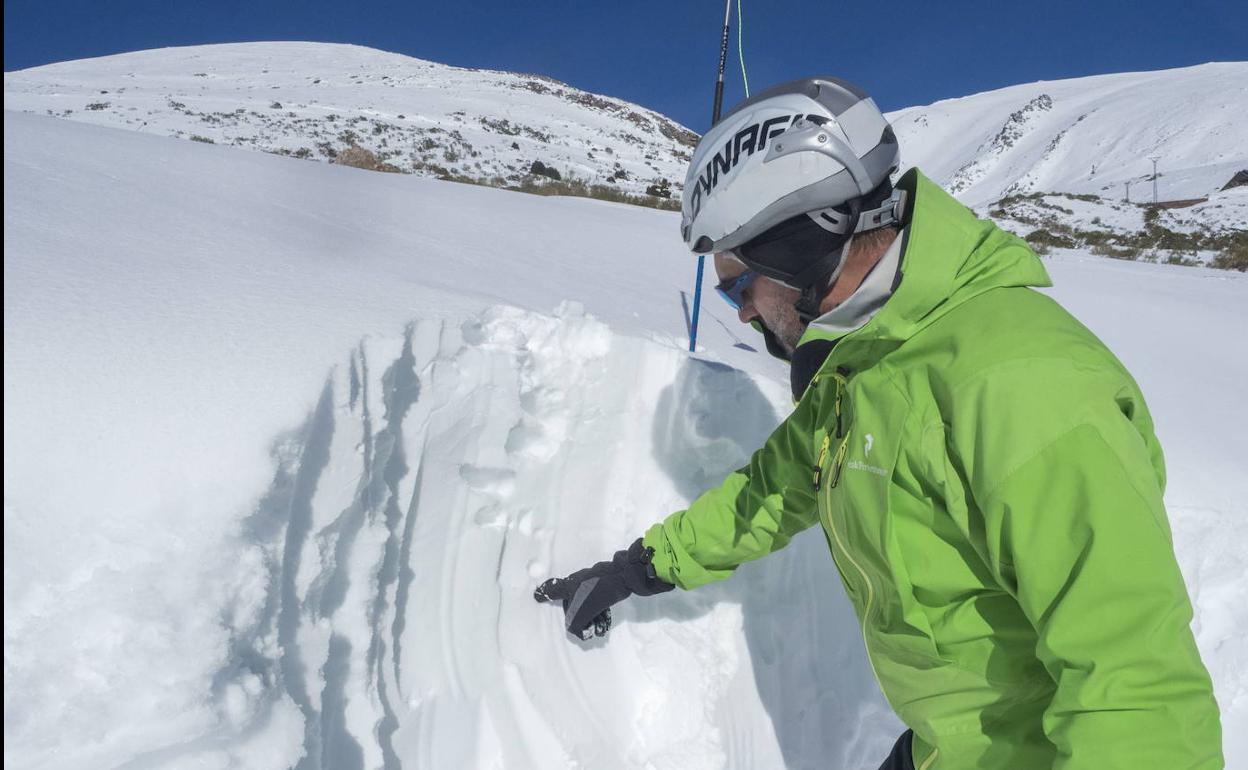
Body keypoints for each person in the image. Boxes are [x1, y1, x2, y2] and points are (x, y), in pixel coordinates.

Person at [534, 77, 1222, 769]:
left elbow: (1134, 684)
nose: (740, 312)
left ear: (800, 246)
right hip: (947, 745)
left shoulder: (1019, 382)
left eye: (740, 284)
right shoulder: (864, 364)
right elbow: (772, 491)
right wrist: (635, 571)